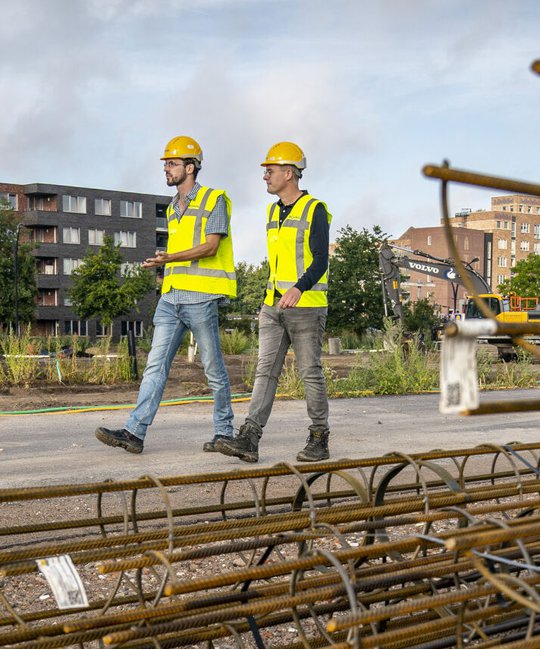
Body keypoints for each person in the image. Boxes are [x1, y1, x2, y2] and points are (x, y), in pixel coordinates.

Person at [95, 136, 236, 454]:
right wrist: (163, 265)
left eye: (171, 163)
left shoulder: (215, 200)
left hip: (200, 297)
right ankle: (134, 432)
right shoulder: (172, 208)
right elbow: (179, 251)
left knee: (213, 368)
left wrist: (168, 258)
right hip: (171, 298)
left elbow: (211, 246)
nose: (166, 169)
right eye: (165, 164)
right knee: (154, 367)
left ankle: (225, 433)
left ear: (190, 167)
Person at [216, 141, 331, 463]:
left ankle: (319, 438)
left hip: (306, 306)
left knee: (310, 372)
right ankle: (249, 438)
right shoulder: (271, 211)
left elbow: (321, 260)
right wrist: (269, 299)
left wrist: (299, 288)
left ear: (289, 173)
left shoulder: (314, 209)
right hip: (273, 306)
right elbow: (278, 263)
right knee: (265, 372)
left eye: (270, 170)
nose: (265, 176)